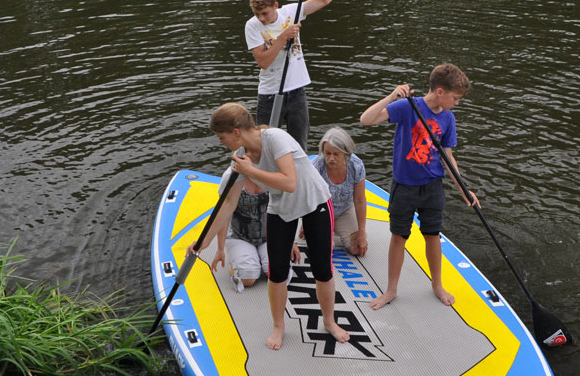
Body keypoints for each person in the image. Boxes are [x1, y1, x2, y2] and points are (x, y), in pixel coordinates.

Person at [191, 103, 350, 350]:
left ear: (236, 132)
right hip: (281, 209)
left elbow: (289, 182)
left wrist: (251, 170)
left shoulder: (276, 138)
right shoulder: (242, 158)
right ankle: (279, 326)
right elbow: (228, 205)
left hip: (314, 202)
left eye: (222, 138)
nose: (221, 143)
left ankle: (329, 322)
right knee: (277, 272)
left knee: (322, 269)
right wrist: (204, 242)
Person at [358, 64, 480, 308]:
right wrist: (392, 96)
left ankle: (437, 285)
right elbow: (366, 120)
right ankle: (391, 290)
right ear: (440, 92)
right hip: (405, 187)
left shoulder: (448, 118)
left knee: (432, 235)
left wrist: (463, 189)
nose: (457, 103)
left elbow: (448, 158)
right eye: (455, 98)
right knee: (399, 237)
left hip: (432, 187)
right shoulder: (407, 107)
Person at [245, 0, 332, 150]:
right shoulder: (252, 26)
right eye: (257, 14)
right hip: (269, 93)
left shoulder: (291, 11)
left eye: (265, 13)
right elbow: (264, 62)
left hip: (297, 90)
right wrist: (284, 36)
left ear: (276, 5)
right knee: (264, 147)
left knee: (299, 145)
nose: (261, 18)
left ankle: (297, 180)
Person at [210, 168, 298, 292]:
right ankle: (237, 261)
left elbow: (286, 208)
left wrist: (290, 241)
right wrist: (220, 249)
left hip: (271, 235)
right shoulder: (231, 177)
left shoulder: (275, 171)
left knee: (277, 274)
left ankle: (260, 259)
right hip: (239, 236)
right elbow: (223, 216)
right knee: (247, 278)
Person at [310, 127, 368, 257]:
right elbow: (308, 198)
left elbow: (359, 200)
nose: (331, 158)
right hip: (321, 211)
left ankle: (337, 227)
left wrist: (362, 233)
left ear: (346, 154)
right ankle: (326, 231)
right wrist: (307, 223)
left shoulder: (356, 165)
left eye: (336, 154)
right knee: (325, 249)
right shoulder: (316, 166)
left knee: (357, 249)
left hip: (344, 210)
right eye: (327, 153)